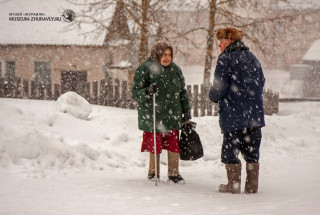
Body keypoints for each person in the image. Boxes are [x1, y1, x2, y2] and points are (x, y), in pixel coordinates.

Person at [209, 27, 265, 194]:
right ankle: (251, 186)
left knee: (230, 152)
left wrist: (213, 95)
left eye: (221, 41)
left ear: (230, 41)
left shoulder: (225, 59)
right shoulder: (252, 58)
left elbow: (219, 89)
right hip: (254, 115)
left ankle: (233, 186)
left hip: (233, 116)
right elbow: (261, 82)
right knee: (252, 152)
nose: (219, 45)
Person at [132, 41, 191, 184]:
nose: (167, 58)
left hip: (172, 115)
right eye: (164, 54)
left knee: (173, 143)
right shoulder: (145, 68)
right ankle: (154, 172)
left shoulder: (175, 70)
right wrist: (147, 91)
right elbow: (135, 93)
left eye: (169, 55)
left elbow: (182, 91)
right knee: (155, 143)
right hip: (154, 115)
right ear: (157, 54)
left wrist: (186, 110)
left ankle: (174, 173)